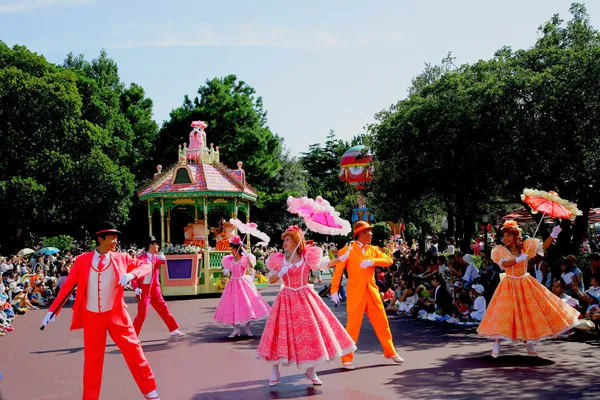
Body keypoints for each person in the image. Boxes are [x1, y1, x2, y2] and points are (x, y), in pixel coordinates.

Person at [41, 222, 160, 400]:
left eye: (116, 237)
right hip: (92, 316)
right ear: (100, 239)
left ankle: (151, 393)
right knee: (92, 362)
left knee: (135, 352)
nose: (115, 240)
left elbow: (146, 266)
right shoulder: (82, 260)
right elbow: (68, 287)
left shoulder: (122, 258)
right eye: (111, 237)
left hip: (117, 315)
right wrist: (52, 311)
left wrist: (132, 274)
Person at [256, 226, 355, 387]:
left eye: (287, 239)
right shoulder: (279, 260)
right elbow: (271, 280)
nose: (284, 242)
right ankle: (275, 369)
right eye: (284, 240)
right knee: (279, 333)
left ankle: (311, 370)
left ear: (296, 241)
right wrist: (281, 273)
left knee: (311, 331)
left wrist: (343, 258)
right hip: (286, 298)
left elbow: (326, 264)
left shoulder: (307, 258)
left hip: (305, 297)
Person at [477, 220, 580, 358]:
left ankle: (529, 342)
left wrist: (554, 234)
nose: (505, 239)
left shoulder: (526, 247)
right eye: (504, 236)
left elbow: (544, 247)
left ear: (515, 236)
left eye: (508, 235)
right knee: (504, 313)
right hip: (509, 283)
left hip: (525, 282)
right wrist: (519, 260)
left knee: (528, 313)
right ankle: (497, 342)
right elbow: (505, 265)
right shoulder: (499, 250)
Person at [330, 221, 404, 370]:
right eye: (368, 232)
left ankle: (390, 352)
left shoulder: (373, 249)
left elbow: (389, 260)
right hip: (356, 293)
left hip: (372, 293)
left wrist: (373, 261)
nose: (371, 234)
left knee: (383, 324)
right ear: (361, 233)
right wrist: (334, 290)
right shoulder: (347, 250)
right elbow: (338, 271)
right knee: (352, 327)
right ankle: (346, 358)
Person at [213, 235, 270, 337]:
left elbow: (252, 266)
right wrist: (226, 270)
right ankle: (236, 329)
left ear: (237, 249)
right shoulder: (229, 260)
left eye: (232, 248)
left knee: (246, 305)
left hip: (243, 283)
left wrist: (247, 255)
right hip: (232, 284)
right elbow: (227, 271)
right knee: (231, 305)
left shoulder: (244, 259)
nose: (231, 250)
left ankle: (248, 328)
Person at [132, 236, 185, 339]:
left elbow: (163, 262)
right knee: (141, 314)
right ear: (150, 245)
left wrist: (162, 258)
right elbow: (134, 275)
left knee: (164, 310)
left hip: (155, 288)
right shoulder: (140, 259)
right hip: (144, 289)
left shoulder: (157, 257)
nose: (157, 246)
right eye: (155, 244)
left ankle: (173, 329)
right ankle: (133, 336)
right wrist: (135, 288)